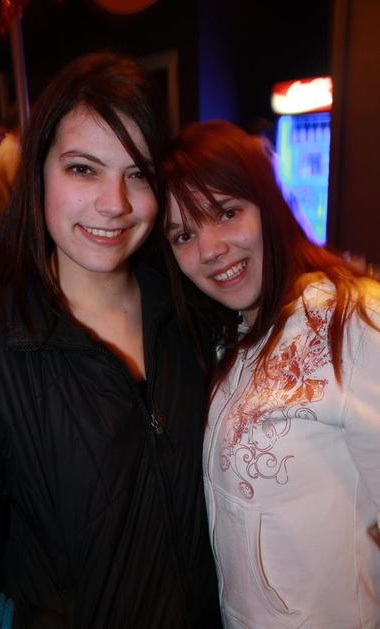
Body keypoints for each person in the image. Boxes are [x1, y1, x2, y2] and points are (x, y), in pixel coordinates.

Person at [0, 52, 222, 629]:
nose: (115, 204)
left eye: (138, 174)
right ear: (38, 172)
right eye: (83, 169)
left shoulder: (192, 313)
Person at [161, 119, 380, 628]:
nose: (210, 249)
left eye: (226, 212)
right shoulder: (232, 333)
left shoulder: (353, 321)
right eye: (184, 234)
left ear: (269, 205)